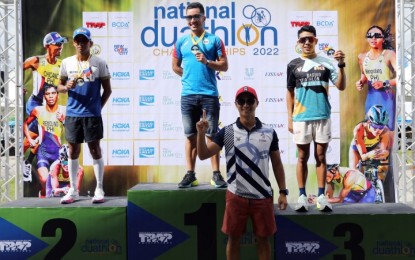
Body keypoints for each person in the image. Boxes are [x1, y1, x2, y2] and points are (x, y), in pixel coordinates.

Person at [196, 86, 288, 260]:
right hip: (236, 196)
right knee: (234, 239)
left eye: (250, 101)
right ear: (236, 105)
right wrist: (201, 134)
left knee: (263, 240)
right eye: (242, 101)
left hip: (262, 196)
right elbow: (202, 155)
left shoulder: (269, 132)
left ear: (257, 103)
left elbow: (277, 163)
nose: (246, 105)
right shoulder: (227, 132)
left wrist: (283, 191)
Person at [286, 25, 346, 212]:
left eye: (310, 39)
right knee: (302, 157)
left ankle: (321, 196)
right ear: (298, 42)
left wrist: (342, 65)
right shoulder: (293, 65)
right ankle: (302, 196)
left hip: (322, 116)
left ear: (316, 41)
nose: (306, 42)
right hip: (301, 118)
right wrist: (290, 118)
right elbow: (289, 92)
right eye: (303, 39)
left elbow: (341, 85)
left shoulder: (327, 63)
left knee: (320, 156)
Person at [172, 2, 229, 189]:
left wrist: (207, 62)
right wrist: (188, 75)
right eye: (189, 17)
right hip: (188, 95)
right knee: (190, 136)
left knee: (211, 136)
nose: (193, 20)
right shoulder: (181, 41)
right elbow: (174, 66)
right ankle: (190, 174)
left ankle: (216, 174)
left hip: (209, 95)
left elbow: (224, 66)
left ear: (204, 18)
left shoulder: (214, 40)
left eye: (196, 16)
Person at [58, 27, 112, 204]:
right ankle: (73, 190)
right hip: (73, 113)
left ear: (91, 43)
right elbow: (58, 87)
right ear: (74, 43)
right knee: (73, 150)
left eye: (84, 41)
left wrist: (97, 108)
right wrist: (66, 87)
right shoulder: (67, 62)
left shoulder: (99, 62)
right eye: (78, 41)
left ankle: (99, 188)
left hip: (92, 115)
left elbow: (108, 90)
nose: (81, 44)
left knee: (95, 149)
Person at [23, 32, 68, 181]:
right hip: (35, 103)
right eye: (57, 43)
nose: (60, 46)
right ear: (47, 45)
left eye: (62, 43)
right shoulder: (36, 61)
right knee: (43, 131)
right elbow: (15, 71)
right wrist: (17, 87)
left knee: (35, 137)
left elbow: (65, 85)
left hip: (50, 105)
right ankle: (27, 162)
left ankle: (25, 161)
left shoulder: (62, 65)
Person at [356, 25, 396, 144]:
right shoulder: (362, 57)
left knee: (387, 133)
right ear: (367, 38)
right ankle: (373, 160)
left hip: (386, 98)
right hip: (371, 98)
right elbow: (364, 75)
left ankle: (388, 161)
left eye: (377, 36)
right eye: (370, 36)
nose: (373, 38)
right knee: (371, 132)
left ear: (383, 39)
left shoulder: (389, 54)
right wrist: (360, 82)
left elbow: (402, 78)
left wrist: (384, 83)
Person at [23, 84, 66, 197]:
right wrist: (29, 139)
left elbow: (73, 130)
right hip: (43, 152)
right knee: (44, 179)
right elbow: (26, 123)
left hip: (57, 153)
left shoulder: (63, 110)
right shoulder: (38, 110)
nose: (51, 96)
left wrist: (63, 121)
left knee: (54, 183)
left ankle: (45, 196)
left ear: (57, 95)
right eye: (47, 94)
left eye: (53, 93)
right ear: (44, 97)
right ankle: (44, 194)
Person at [350, 104, 390, 181]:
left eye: (381, 127)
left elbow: (383, 152)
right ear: (369, 122)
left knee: (383, 167)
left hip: (373, 148)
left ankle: (378, 187)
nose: (377, 130)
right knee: (355, 176)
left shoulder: (385, 131)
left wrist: (385, 153)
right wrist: (368, 155)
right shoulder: (359, 129)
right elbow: (363, 156)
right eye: (375, 126)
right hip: (357, 150)